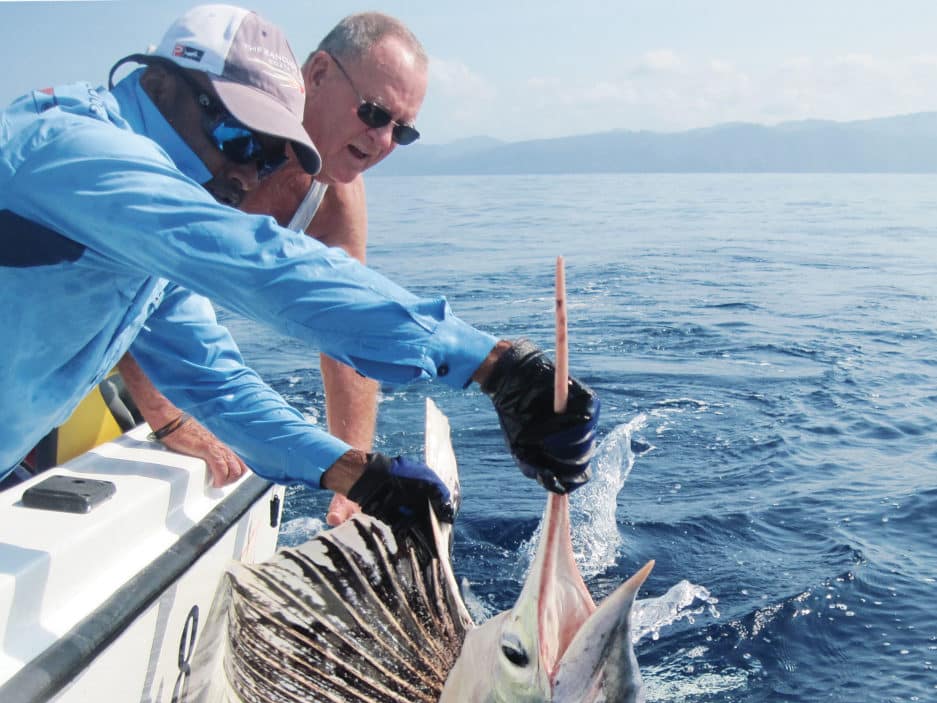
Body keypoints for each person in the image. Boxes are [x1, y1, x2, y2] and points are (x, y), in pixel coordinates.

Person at [0, 5, 597, 553]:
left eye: (264, 153)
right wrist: (495, 366)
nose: (242, 173)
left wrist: (360, 477)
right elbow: (257, 263)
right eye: (235, 136)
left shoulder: (143, 248)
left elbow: (215, 384)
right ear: (159, 84)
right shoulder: (72, 150)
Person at [121, 11, 429, 526]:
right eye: (375, 114)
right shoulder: (204, 139)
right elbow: (124, 259)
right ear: (318, 74)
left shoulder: (336, 198)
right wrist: (167, 419)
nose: (383, 141)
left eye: (404, 131)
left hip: (154, 334)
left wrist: (354, 475)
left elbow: (347, 326)